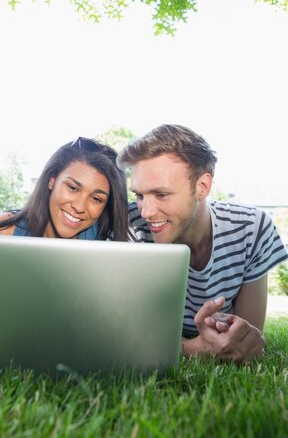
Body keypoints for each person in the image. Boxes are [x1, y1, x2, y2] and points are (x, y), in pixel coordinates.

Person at [117, 124, 288, 363]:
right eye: (139, 195)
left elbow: (248, 341)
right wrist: (191, 349)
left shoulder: (251, 228)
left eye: (161, 194)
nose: (145, 211)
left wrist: (237, 341)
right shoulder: (130, 225)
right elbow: (123, 335)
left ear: (202, 186)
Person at [0, 137, 129, 241]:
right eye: (72, 188)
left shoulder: (106, 240)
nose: (79, 207)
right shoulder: (5, 232)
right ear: (51, 181)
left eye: (96, 199)